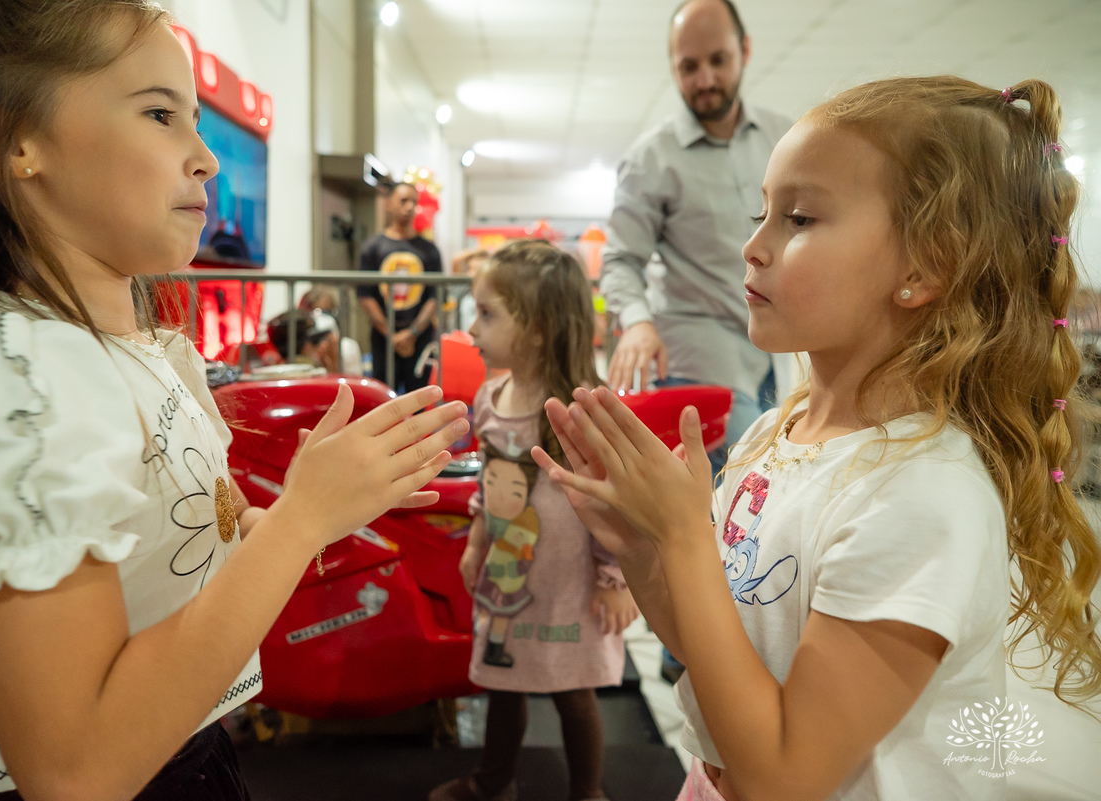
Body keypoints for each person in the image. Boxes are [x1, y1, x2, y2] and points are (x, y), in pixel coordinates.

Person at [0, 3, 468, 799]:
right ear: (7, 140)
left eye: (194, 121)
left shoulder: (130, 350)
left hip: (192, 755)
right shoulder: (8, 383)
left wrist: (317, 511)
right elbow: (75, 769)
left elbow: (175, 564)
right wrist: (301, 519)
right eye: (160, 114)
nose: (204, 157)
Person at [535, 77, 1101, 801]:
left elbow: (787, 776)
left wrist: (684, 537)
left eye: (798, 219)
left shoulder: (925, 495)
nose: (752, 246)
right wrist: (644, 549)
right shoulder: (779, 431)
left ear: (926, 264)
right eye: (760, 212)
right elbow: (719, 650)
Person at [430, 241, 639, 801]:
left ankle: (588, 792)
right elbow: (487, 486)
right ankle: (494, 781)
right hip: (510, 573)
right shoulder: (491, 396)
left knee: (575, 693)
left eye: (487, 313)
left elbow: (613, 502)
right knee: (503, 685)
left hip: (569, 584)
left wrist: (616, 580)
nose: (471, 328)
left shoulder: (580, 410)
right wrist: (476, 545)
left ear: (540, 328)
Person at [600, 0, 792, 477]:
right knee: (751, 486)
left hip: (776, 353)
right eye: (689, 67)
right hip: (697, 354)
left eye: (717, 61)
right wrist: (638, 323)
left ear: (744, 51)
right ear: (672, 67)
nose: (705, 79)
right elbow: (620, 260)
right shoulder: (651, 160)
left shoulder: (785, 139)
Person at [357, 181, 442, 393]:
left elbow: (435, 296)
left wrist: (412, 332)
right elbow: (366, 295)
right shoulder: (372, 247)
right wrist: (391, 335)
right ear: (389, 204)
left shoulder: (429, 250)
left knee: (419, 400)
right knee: (384, 400)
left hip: (420, 338)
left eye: (414, 202)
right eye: (404, 201)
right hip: (383, 339)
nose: (410, 207)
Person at [266, 307, 341, 373]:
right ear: (306, 345)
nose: (322, 346)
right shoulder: (311, 373)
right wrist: (333, 368)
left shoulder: (276, 370)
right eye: (316, 342)